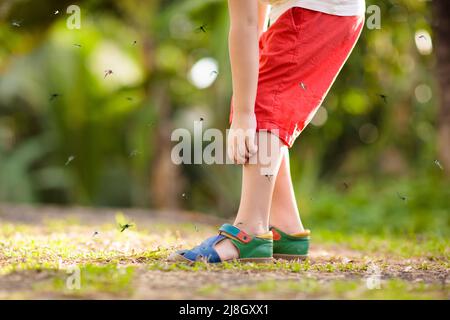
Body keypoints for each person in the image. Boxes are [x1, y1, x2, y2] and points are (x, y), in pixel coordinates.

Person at [169, 0, 366, 263]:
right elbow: (256, 17)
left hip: (317, 10)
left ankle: (250, 229)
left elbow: (246, 24)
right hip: (324, 11)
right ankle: (286, 227)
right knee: (258, 95)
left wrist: (244, 115)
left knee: (262, 104)